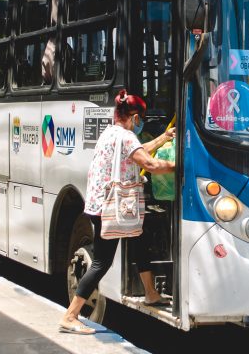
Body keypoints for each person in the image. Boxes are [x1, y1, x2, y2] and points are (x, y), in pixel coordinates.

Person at [58, 90, 176, 335]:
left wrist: (163, 138)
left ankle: (150, 293)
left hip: (105, 205)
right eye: (140, 118)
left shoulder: (111, 133)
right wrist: (179, 164)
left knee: (140, 239)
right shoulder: (126, 137)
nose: (141, 122)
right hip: (111, 208)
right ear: (133, 117)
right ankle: (70, 315)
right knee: (102, 263)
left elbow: (140, 150)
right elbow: (150, 164)